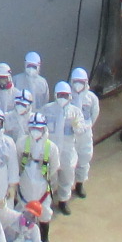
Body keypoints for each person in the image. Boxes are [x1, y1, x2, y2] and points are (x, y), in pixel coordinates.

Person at [18, 118, 59, 242]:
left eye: (38, 129)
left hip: (42, 185)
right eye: (33, 128)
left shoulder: (51, 147)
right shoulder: (22, 142)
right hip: (25, 183)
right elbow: (17, 159)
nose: (35, 132)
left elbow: (54, 167)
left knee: (45, 211)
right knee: (22, 209)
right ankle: (22, 235)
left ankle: (44, 237)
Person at [41, 83, 81, 213]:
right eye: (60, 95)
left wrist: (75, 125)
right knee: (49, 177)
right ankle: (48, 200)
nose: (62, 97)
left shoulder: (75, 112)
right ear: (55, 95)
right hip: (51, 150)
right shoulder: (47, 110)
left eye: (65, 95)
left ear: (69, 96)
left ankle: (63, 200)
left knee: (67, 176)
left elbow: (81, 130)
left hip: (67, 151)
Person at [68, 67, 99, 198]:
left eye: (81, 81)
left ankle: (80, 184)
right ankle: (66, 189)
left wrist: (87, 126)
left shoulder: (91, 98)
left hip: (85, 135)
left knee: (84, 158)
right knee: (69, 162)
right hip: (71, 134)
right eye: (76, 81)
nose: (78, 84)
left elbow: (94, 114)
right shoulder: (67, 96)